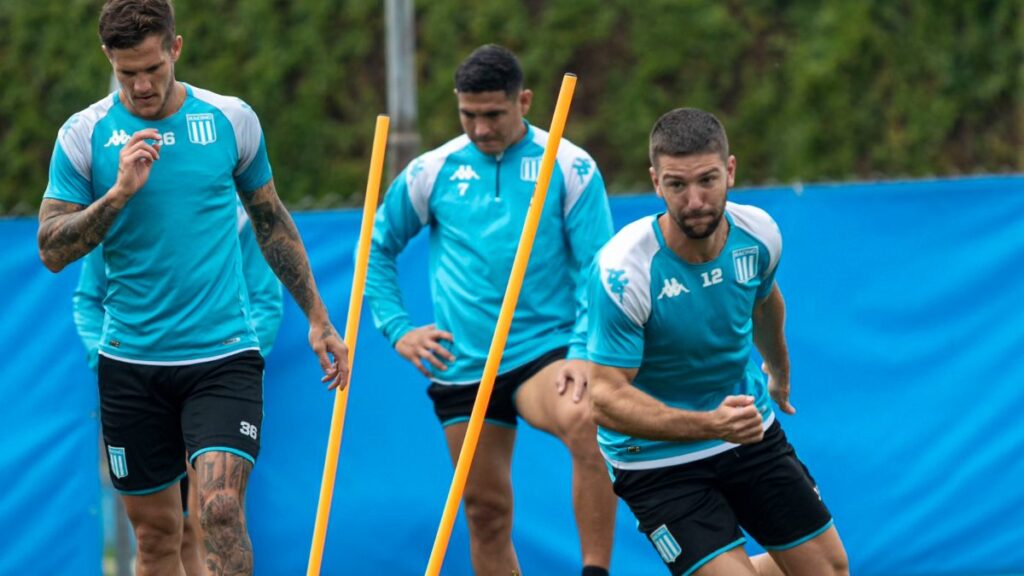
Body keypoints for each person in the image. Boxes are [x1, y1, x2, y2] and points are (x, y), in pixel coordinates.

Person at [37, 1, 348, 574]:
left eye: (153, 68)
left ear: (175, 49)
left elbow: (271, 220)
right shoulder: (84, 135)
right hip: (130, 364)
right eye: (128, 72)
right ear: (109, 59)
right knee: (157, 538)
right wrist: (118, 194)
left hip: (221, 357)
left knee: (221, 509)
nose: (142, 85)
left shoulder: (230, 120)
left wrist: (319, 318)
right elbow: (52, 249)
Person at [365, 44, 617, 575]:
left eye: (494, 115)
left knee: (584, 419)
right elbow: (377, 247)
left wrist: (581, 351)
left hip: (544, 353)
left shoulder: (570, 167)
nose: (481, 129)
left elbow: (599, 272)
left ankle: (596, 569)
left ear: (523, 101)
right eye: (469, 115)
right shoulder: (431, 172)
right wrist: (398, 328)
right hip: (464, 363)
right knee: (485, 512)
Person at [586, 107, 849, 576]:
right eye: (676, 185)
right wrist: (711, 424)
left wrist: (779, 372)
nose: (694, 201)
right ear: (655, 182)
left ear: (730, 171)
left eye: (707, 180)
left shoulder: (759, 235)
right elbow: (605, 399)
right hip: (652, 459)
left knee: (829, 570)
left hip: (745, 431)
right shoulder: (625, 272)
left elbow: (765, 303)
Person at [73, 198, 283, 575]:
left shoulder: (233, 211)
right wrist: (105, 360)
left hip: (215, 382)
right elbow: (88, 300)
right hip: (142, 384)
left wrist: (232, 365)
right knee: (164, 532)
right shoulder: (116, 204)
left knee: (218, 513)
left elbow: (266, 301)